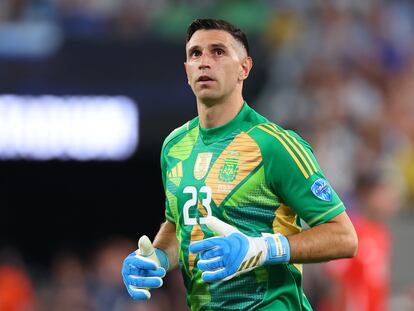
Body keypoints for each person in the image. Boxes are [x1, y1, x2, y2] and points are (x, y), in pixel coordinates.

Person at [122, 18, 358, 311]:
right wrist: (156, 257)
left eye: (218, 52)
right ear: (186, 71)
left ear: (244, 68)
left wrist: (263, 249)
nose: (204, 62)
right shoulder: (174, 146)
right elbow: (180, 224)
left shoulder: (274, 144)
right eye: (195, 54)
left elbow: (344, 236)